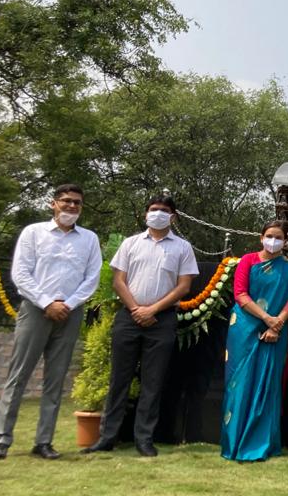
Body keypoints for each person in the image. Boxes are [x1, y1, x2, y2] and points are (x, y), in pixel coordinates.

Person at [0, 185, 102, 460]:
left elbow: (92, 278)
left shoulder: (88, 239)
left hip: (70, 311)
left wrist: (68, 304)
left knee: (56, 378)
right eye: (66, 201)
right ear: (53, 204)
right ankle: (1, 440)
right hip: (36, 309)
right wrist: (47, 303)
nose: (72, 207)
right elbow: (20, 273)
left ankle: (44, 441)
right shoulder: (33, 232)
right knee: (18, 376)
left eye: (77, 202)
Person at [83, 195, 198, 457]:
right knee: (119, 380)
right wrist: (136, 309)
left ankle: (144, 439)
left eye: (164, 210)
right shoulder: (130, 243)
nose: (158, 213)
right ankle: (107, 437)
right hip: (128, 317)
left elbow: (184, 286)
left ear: (173, 217)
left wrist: (152, 310)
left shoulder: (183, 247)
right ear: (146, 214)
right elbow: (118, 281)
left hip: (163, 319)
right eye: (154, 209)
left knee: (152, 382)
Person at [221, 221, 288, 462]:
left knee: (268, 384)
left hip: (276, 331)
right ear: (261, 238)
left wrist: (277, 323)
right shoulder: (247, 261)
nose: (273, 240)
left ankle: (262, 445)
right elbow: (240, 294)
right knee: (239, 383)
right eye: (269, 236)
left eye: (278, 237)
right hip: (244, 328)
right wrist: (266, 318)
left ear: (285, 241)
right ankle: (234, 442)